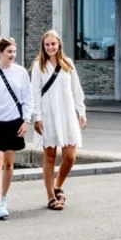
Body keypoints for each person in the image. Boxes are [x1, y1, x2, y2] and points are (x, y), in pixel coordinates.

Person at [31, 30, 87, 211]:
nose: (50, 47)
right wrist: (37, 117)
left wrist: (81, 112)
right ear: (43, 46)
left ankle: (58, 185)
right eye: (47, 45)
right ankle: (50, 196)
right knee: (50, 155)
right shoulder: (38, 66)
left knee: (70, 156)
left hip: (67, 113)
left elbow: (76, 89)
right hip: (48, 114)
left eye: (53, 44)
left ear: (59, 44)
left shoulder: (67, 64)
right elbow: (34, 94)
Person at [0, 36, 33, 220]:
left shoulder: (21, 73)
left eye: (14, 51)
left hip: (14, 122)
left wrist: (26, 120)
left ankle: (3, 198)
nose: (12, 55)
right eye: (8, 52)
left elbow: (28, 99)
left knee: (9, 164)